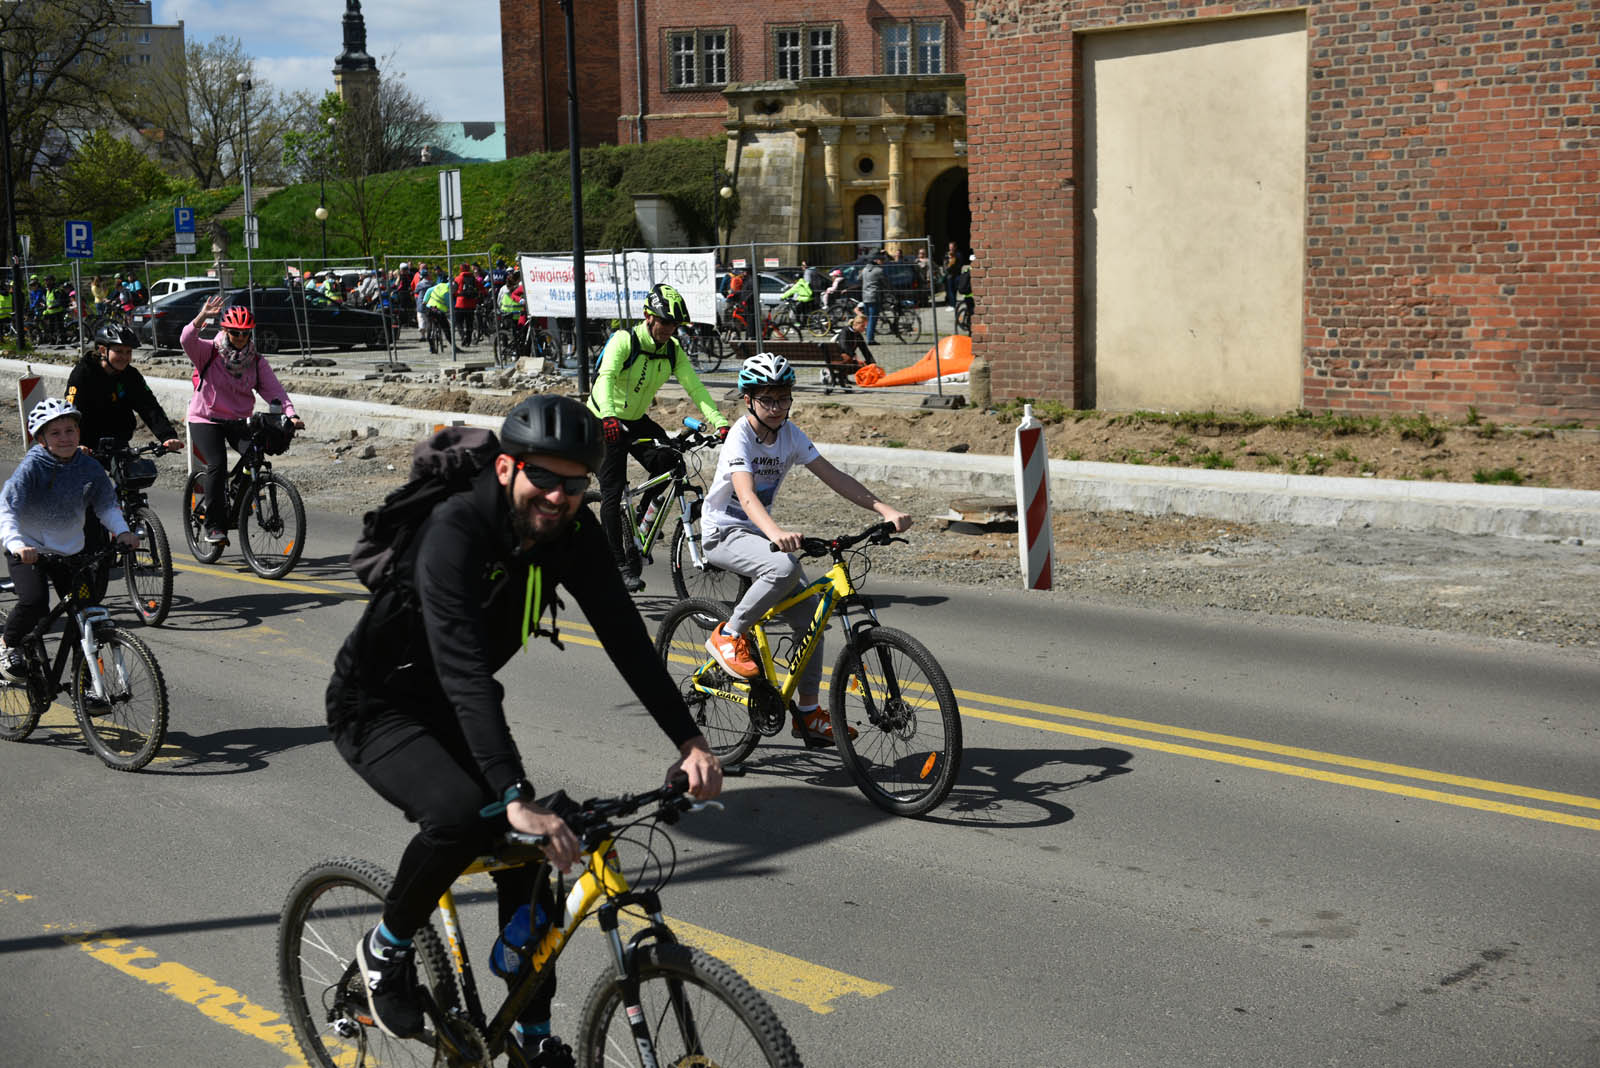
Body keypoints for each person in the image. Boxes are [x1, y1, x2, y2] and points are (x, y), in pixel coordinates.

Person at [325, 394, 723, 1058]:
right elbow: (464, 673)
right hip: (378, 705)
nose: (559, 495)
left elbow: (626, 638)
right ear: (508, 467)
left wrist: (691, 740)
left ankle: (534, 1041)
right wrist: (513, 796)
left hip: (456, 711)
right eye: (544, 476)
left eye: (575, 482)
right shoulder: (454, 530)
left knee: (537, 855)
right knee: (461, 815)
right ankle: (384, 947)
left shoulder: (570, 534)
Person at [700, 352, 911, 744]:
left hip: (760, 538)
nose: (778, 408)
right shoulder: (739, 437)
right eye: (768, 400)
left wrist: (884, 509)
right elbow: (745, 496)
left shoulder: (790, 436)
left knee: (811, 621)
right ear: (748, 400)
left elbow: (835, 476)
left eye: (783, 398)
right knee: (781, 567)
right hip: (724, 533)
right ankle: (727, 635)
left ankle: (809, 714)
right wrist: (776, 533)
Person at [586, 283, 729, 592]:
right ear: (648, 316)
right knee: (612, 491)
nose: (669, 329)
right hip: (603, 418)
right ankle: (620, 564)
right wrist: (609, 416)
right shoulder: (625, 341)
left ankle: (641, 518)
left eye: (674, 324)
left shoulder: (672, 349)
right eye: (665, 322)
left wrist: (719, 422)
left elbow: (695, 388)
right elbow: (605, 378)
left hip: (636, 420)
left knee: (670, 460)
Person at [0, 399, 139, 680]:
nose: (65, 438)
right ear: (41, 439)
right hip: (31, 550)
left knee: (85, 617)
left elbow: (106, 504)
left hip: (71, 552)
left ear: (79, 432)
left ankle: (88, 687)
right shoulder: (32, 467)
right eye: (55, 433)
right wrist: (17, 545)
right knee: (36, 602)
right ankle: (7, 645)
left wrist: (122, 531)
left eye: (70, 430)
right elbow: (8, 507)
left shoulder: (88, 466)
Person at [181, 296, 304, 543]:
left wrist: (291, 415)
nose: (240, 338)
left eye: (245, 333)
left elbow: (275, 392)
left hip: (238, 420)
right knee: (217, 464)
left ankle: (239, 494)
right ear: (225, 330)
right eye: (235, 332)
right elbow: (186, 340)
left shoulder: (256, 362)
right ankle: (214, 526)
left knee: (256, 456)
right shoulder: (209, 352)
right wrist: (202, 317)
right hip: (206, 418)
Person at [66, 322, 183, 456]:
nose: (125, 357)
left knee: (139, 474)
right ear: (103, 350)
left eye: (128, 352)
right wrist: (75, 443)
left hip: (118, 442)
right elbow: (72, 410)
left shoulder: (131, 375)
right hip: (86, 445)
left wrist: (167, 436)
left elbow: (149, 406)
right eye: (119, 351)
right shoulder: (83, 373)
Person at [825, 306, 876, 391]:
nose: (864, 329)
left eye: (865, 327)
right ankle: (835, 376)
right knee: (851, 360)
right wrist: (854, 356)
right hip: (836, 359)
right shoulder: (845, 331)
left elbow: (864, 350)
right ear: (855, 324)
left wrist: (871, 363)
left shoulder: (858, 334)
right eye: (863, 326)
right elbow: (843, 346)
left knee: (861, 365)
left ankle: (842, 378)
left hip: (845, 359)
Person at [859, 256, 885, 344]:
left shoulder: (864, 270)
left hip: (865, 297)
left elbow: (858, 278)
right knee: (872, 319)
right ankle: (870, 339)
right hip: (874, 297)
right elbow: (885, 282)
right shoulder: (879, 270)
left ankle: (868, 337)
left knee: (869, 318)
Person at [454, 263, 481, 347]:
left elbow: (453, 290)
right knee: (469, 323)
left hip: (460, 303)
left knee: (458, 322)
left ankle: (463, 336)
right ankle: (468, 340)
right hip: (471, 304)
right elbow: (481, 288)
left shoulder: (458, 278)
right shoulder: (473, 279)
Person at [942, 242, 962, 308]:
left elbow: (959, 265)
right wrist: (946, 270)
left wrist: (952, 266)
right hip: (949, 275)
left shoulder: (958, 255)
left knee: (955, 290)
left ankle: (953, 303)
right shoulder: (946, 254)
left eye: (952, 247)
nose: (950, 248)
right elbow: (944, 264)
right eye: (949, 247)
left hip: (956, 275)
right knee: (950, 290)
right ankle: (952, 304)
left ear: (955, 247)